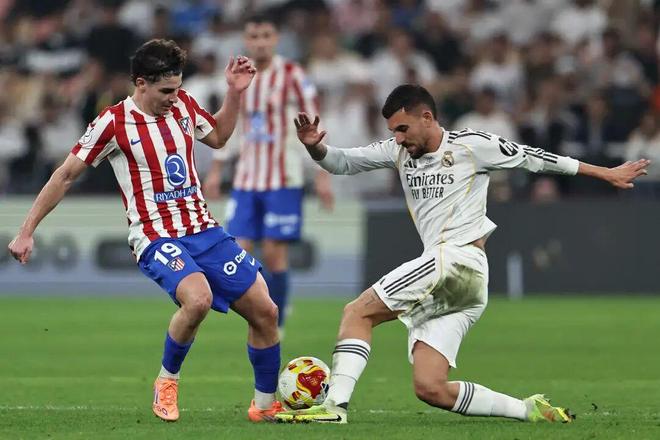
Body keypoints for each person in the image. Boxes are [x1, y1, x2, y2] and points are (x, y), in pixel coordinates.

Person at [275, 84, 650, 424]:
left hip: (454, 260)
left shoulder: (472, 145)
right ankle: (530, 410)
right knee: (431, 387)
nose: (398, 138)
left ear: (427, 117)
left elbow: (536, 158)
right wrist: (314, 147)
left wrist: (606, 173)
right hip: (465, 283)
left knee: (357, 313)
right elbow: (341, 162)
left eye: (403, 128)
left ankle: (335, 407)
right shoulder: (396, 151)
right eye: (393, 131)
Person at [7, 39, 285, 423]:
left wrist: (235, 93)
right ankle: (167, 382)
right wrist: (26, 230)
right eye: (166, 90)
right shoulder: (112, 122)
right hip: (155, 235)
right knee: (198, 300)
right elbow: (65, 175)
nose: (174, 97)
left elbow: (219, 137)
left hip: (204, 229)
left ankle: (265, 406)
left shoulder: (184, 104)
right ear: (141, 83)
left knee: (266, 311)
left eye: (177, 88)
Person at [203, 13, 334, 333]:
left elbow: (313, 123)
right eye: (254, 36)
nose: (260, 42)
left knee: (275, 255)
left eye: (265, 36)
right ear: (246, 40)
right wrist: (217, 170)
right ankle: (260, 313)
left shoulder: (292, 74)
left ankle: (277, 322)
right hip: (246, 178)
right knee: (239, 251)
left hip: (283, 178)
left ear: (275, 39)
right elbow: (232, 125)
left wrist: (321, 172)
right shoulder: (239, 77)